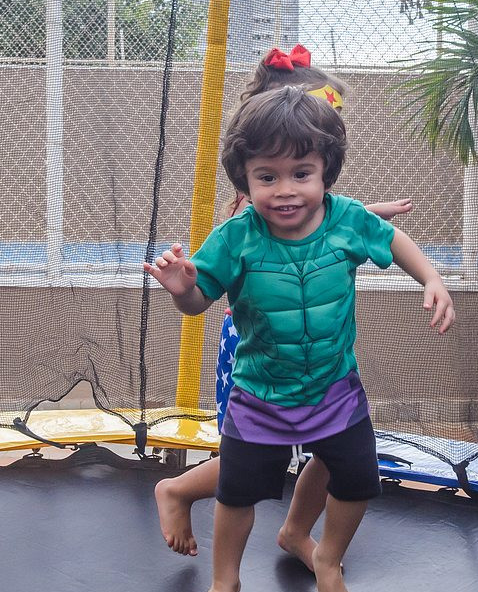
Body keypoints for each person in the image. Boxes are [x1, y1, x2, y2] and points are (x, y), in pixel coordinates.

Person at [144, 86, 454, 592]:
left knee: (356, 478)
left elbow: (394, 240)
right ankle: (224, 584)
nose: (285, 190)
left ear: (325, 172)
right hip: (261, 396)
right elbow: (197, 301)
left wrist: (431, 278)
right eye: (267, 177)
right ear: (245, 180)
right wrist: (182, 290)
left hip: (334, 389)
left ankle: (327, 558)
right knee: (238, 493)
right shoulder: (235, 237)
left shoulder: (348, 219)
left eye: (301, 174)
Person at [154, 45, 413, 559]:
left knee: (333, 446)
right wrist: (184, 286)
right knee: (252, 452)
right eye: (326, 115)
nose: (286, 185)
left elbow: (317, 223)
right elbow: (276, 236)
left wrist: (366, 214)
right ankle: (178, 490)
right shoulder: (253, 205)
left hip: (317, 357)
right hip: (255, 346)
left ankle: (295, 531)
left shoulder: (296, 182)